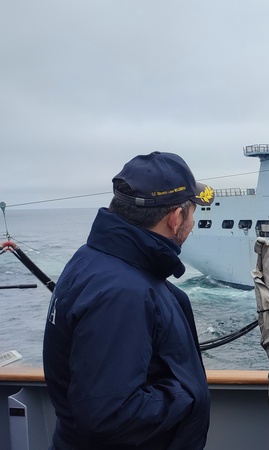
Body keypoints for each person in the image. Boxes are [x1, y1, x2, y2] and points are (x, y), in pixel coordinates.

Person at [43, 152, 214, 450]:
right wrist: (189, 390)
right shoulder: (123, 293)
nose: (193, 222)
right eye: (192, 211)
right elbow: (108, 415)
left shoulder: (94, 259)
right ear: (175, 218)